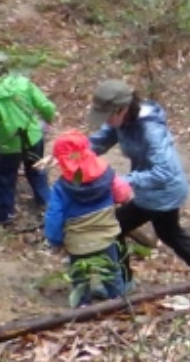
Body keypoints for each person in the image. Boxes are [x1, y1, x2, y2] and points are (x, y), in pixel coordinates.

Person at [88, 78, 190, 279]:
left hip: (163, 190)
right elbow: (102, 139)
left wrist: (125, 181)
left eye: (107, 116)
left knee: (113, 229)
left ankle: (122, 282)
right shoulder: (122, 122)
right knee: (169, 232)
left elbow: (164, 171)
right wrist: (74, 154)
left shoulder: (151, 130)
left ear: (122, 109)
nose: (105, 121)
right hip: (155, 189)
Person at [43, 130, 133, 306]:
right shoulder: (107, 173)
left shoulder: (61, 188)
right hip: (106, 237)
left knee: (80, 277)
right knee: (112, 272)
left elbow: (54, 215)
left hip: (77, 243)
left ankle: (82, 305)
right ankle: (119, 302)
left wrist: (55, 239)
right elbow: (123, 193)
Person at [0, 72, 55, 226]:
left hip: (10, 143)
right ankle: (47, 203)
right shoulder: (24, 83)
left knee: (3, 177)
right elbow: (46, 106)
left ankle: (3, 215)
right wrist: (49, 118)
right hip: (34, 136)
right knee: (36, 169)